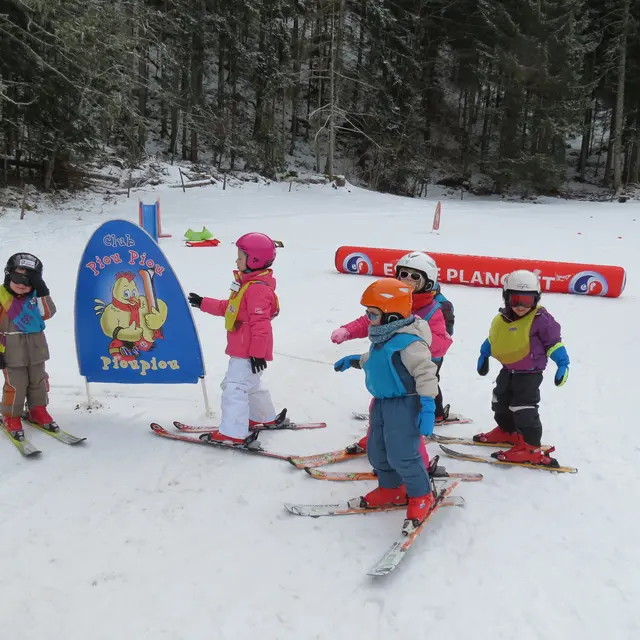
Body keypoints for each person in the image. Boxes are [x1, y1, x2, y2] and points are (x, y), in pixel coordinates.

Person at [334, 278, 439, 526]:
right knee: (377, 451)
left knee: (403, 454)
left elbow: (425, 373)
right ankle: (391, 488)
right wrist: (356, 360)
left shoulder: (410, 343)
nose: (368, 319)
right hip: (382, 404)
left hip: (405, 403)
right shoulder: (384, 336)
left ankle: (421, 495)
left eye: (372, 314)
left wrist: (428, 406)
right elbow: (376, 359)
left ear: (392, 316)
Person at [331, 251, 454, 455]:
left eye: (415, 277)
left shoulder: (435, 308)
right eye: (403, 275)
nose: (407, 281)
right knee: (382, 403)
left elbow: (442, 341)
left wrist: (411, 342)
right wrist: (347, 331)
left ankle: (415, 454)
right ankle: (376, 437)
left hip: (421, 360)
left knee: (411, 409)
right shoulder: (392, 297)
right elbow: (370, 319)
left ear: (428, 282)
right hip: (391, 358)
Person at [188, 233, 279, 445]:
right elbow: (229, 309)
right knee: (252, 385)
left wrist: (257, 354)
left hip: (248, 351)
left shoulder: (257, 289)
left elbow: (261, 325)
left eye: (240, 257)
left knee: (234, 387)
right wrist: (203, 302)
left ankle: (232, 432)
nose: (236, 261)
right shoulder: (247, 284)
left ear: (254, 261)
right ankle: (263, 417)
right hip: (245, 348)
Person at [473, 270, 569, 467]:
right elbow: (494, 338)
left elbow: (553, 343)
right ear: (506, 298)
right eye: (516, 300)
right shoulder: (502, 318)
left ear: (536, 299)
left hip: (530, 372)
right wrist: (484, 355)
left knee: (523, 407)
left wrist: (562, 363)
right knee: (500, 400)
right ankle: (508, 431)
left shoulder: (542, 319)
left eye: (527, 301)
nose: (521, 306)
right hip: (508, 369)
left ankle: (531, 448)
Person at [0, 253, 57, 440]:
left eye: (30, 280)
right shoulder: (2, 298)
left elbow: (48, 313)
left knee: (38, 380)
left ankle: (37, 410)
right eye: (18, 278)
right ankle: (11, 416)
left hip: (36, 348)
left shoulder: (35, 298)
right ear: (8, 275)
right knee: (15, 385)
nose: (23, 284)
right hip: (10, 350)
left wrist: (41, 290)